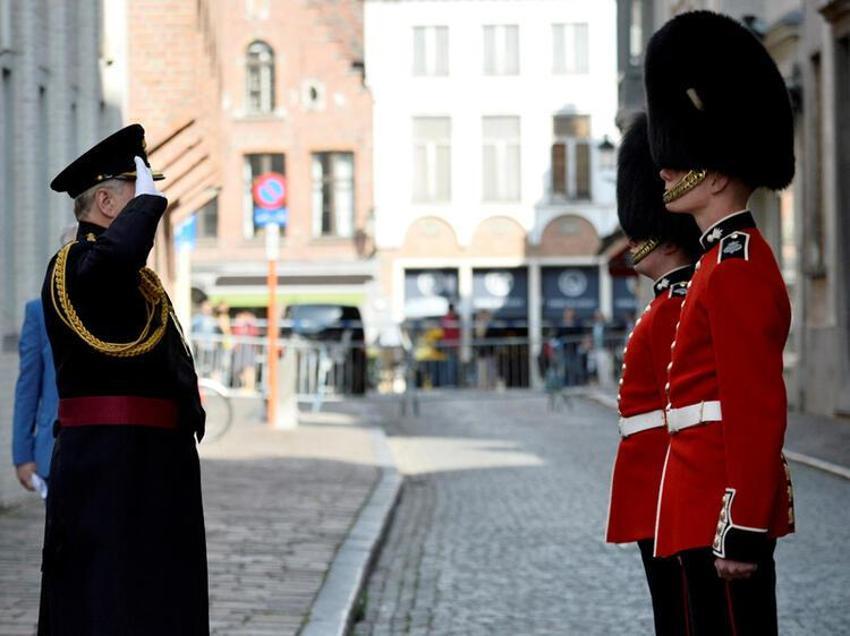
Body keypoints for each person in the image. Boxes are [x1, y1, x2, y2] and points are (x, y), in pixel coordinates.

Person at [645, 12, 796, 634]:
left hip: (721, 508)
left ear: (722, 169)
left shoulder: (735, 265)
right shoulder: (714, 262)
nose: (666, 171)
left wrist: (746, 525)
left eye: (681, 160)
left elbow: (754, 403)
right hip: (695, 498)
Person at [39, 124, 208, 634]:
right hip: (105, 470)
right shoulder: (76, 265)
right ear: (109, 202)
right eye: (139, 191)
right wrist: (146, 212)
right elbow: (110, 266)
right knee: (107, 601)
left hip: (157, 470)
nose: (151, 202)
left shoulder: (140, 283)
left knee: (161, 598)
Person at [605, 113, 701, 635]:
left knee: (682, 613)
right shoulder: (666, 303)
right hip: (653, 489)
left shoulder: (679, 305)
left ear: (666, 235)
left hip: (671, 490)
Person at [12, 298, 58, 498]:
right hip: (55, 451)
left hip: (111, 450)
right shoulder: (39, 311)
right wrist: (22, 455)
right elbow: (27, 388)